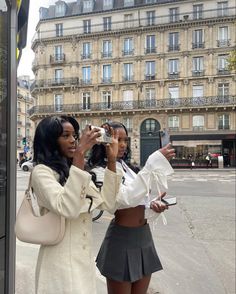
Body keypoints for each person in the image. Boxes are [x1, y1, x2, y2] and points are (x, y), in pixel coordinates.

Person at [31, 115, 124, 294]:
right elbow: (67, 208)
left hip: (83, 260)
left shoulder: (73, 171)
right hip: (59, 262)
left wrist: (111, 161)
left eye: (74, 135)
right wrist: (80, 154)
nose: (73, 140)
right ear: (50, 140)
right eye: (65, 136)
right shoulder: (41, 172)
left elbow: (109, 203)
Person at [87, 122, 175, 294]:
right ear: (104, 141)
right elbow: (123, 200)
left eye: (125, 140)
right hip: (122, 239)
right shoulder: (100, 170)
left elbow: (138, 200)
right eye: (116, 139)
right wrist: (152, 162)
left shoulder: (127, 168)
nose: (122, 145)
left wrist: (152, 206)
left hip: (144, 236)